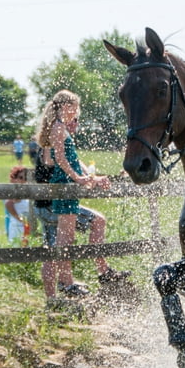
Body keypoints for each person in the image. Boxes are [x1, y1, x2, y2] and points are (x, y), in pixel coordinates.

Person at [36, 89, 130, 307]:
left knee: (66, 237)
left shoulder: (59, 128)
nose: (76, 113)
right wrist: (78, 178)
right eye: (75, 108)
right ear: (66, 107)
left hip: (68, 184)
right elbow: (60, 159)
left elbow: (70, 159)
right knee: (64, 238)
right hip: (65, 185)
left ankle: (68, 282)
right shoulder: (59, 128)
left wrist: (90, 178)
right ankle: (66, 282)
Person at [5, 166, 30, 245]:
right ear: (14, 178)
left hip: (25, 226)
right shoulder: (15, 191)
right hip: (17, 226)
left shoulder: (25, 191)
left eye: (25, 178)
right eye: (20, 177)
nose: (23, 180)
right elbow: (8, 204)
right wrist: (20, 219)